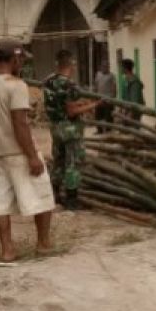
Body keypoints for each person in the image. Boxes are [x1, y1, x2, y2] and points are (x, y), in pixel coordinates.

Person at [0, 40, 54, 262]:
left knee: (1, 204)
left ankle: (7, 250)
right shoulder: (16, 85)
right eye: (22, 60)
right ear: (14, 59)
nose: (23, 64)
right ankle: (43, 243)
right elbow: (20, 123)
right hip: (17, 152)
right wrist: (32, 157)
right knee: (42, 193)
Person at [43, 49, 99, 210]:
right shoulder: (69, 84)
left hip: (55, 127)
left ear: (57, 63)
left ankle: (54, 194)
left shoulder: (48, 81)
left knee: (58, 161)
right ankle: (72, 200)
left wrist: (79, 104)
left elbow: (60, 104)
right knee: (72, 163)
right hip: (70, 129)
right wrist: (92, 105)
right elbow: (71, 111)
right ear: (71, 64)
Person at [118, 58, 145, 123]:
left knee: (133, 130)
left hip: (134, 112)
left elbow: (134, 100)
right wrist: (121, 109)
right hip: (127, 109)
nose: (120, 69)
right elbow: (124, 96)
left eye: (121, 67)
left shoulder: (134, 82)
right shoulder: (125, 80)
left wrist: (130, 114)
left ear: (126, 68)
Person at [93, 61, 117, 133]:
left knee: (108, 116)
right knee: (98, 115)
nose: (104, 68)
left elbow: (114, 88)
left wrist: (113, 98)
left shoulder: (111, 76)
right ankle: (99, 130)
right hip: (99, 99)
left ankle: (108, 130)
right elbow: (96, 86)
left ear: (108, 67)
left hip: (108, 100)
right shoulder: (98, 74)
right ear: (101, 67)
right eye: (103, 66)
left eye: (106, 66)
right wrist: (94, 96)